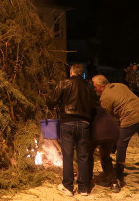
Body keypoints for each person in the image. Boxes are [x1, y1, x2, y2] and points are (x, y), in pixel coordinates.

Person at [92, 75, 139, 183]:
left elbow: (107, 117)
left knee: (121, 144)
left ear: (101, 86)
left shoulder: (105, 96)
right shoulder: (120, 85)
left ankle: (119, 171)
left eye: (95, 86)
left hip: (130, 117)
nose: (94, 89)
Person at [54, 64, 96, 196]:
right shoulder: (88, 87)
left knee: (68, 155)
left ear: (71, 72)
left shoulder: (64, 83)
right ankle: (83, 188)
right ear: (81, 73)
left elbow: (51, 100)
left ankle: (68, 187)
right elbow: (93, 106)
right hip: (84, 124)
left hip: (67, 122)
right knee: (83, 156)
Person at [88, 105, 121, 193]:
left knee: (88, 155)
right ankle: (114, 182)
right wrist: (113, 148)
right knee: (105, 157)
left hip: (98, 133)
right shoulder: (104, 110)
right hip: (113, 133)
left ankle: (87, 180)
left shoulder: (89, 110)